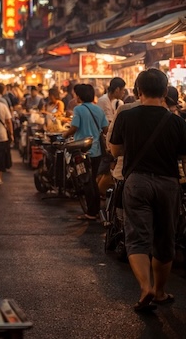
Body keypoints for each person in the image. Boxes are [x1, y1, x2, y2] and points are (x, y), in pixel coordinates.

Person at [109, 68, 186, 312]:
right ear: (165, 91)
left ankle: (146, 287)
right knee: (165, 239)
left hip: (137, 182)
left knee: (137, 238)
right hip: (168, 183)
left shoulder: (126, 117)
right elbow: (183, 156)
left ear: (137, 90)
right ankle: (161, 292)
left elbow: (115, 151)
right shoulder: (176, 121)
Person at [63, 83, 108, 221]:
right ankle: (95, 210)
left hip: (82, 151)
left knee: (87, 181)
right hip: (96, 151)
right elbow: (105, 129)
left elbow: (74, 127)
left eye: (76, 94)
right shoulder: (98, 110)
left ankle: (91, 212)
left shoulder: (79, 109)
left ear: (80, 95)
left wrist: (63, 135)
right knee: (92, 179)